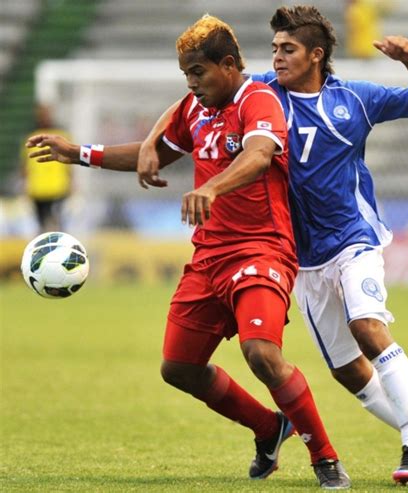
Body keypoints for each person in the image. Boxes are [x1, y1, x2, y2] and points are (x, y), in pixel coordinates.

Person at [136, 6, 408, 486]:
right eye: (273, 48)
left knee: (367, 327)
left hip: (355, 238)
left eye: (287, 49)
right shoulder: (261, 95)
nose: (276, 58)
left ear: (315, 54)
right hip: (305, 258)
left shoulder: (355, 98)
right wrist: (151, 139)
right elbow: (193, 97)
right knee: (349, 373)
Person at [27, 15, 351, 490]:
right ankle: (269, 427)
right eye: (186, 75)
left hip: (261, 248)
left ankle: (324, 457)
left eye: (197, 73)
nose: (191, 84)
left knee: (260, 352)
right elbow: (151, 152)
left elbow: (260, 153)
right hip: (209, 258)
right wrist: (78, 152)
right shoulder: (195, 110)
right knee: (178, 367)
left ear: (227, 64)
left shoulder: (258, 100)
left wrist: (213, 188)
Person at [21, 104, 72, 232]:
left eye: (46, 113)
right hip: (37, 189)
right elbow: (25, 163)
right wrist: (25, 184)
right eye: (41, 114)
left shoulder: (61, 136)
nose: (44, 117)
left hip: (58, 187)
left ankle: (59, 246)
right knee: (41, 223)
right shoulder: (31, 137)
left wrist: (72, 182)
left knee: (56, 221)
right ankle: (44, 247)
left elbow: (71, 161)